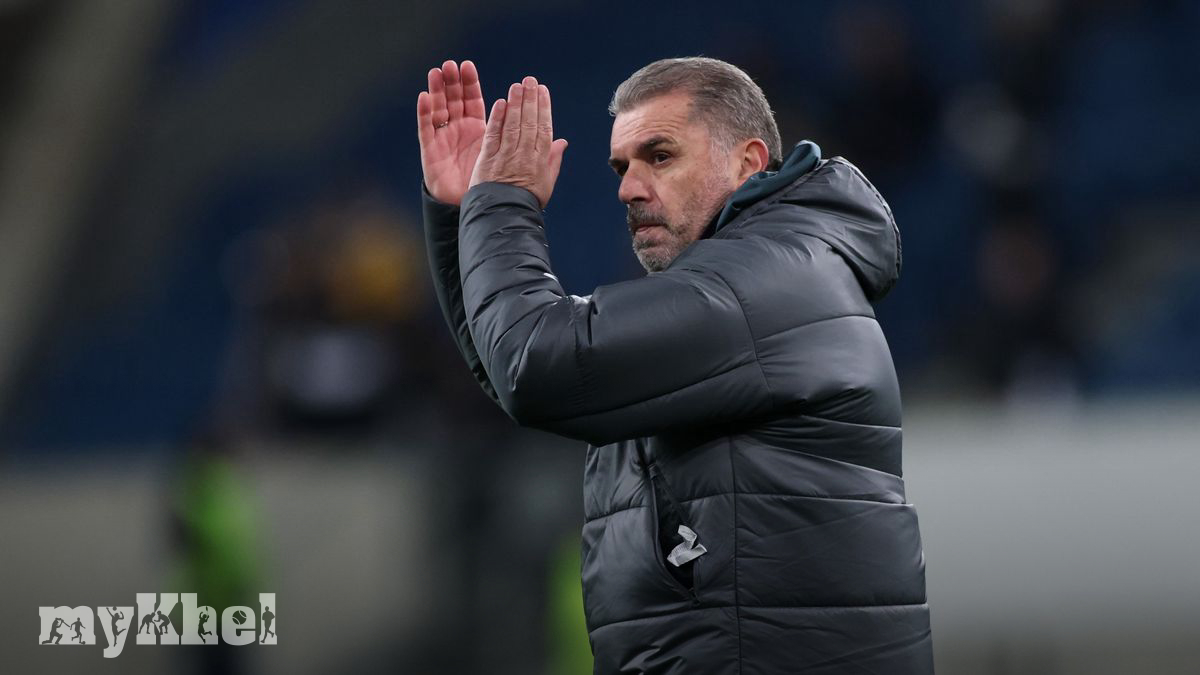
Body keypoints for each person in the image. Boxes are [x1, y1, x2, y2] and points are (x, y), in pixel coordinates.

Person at [417, 57, 933, 673]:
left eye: (659, 156)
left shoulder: (765, 284)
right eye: (621, 167)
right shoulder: (750, 285)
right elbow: (516, 371)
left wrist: (501, 204)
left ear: (747, 164)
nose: (628, 189)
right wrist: (465, 216)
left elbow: (538, 367)